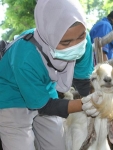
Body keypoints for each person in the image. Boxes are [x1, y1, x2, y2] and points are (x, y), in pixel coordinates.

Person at [0, 0, 100, 150]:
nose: (75, 45)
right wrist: (85, 104)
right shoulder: (26, 56)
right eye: (65, 43)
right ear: (49, 37)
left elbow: (83, 81)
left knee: (57, 145)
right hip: (12, 96)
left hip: (44, 89)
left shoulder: (83, 41)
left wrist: (99, 100)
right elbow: (44, 106)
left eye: (80, 36)